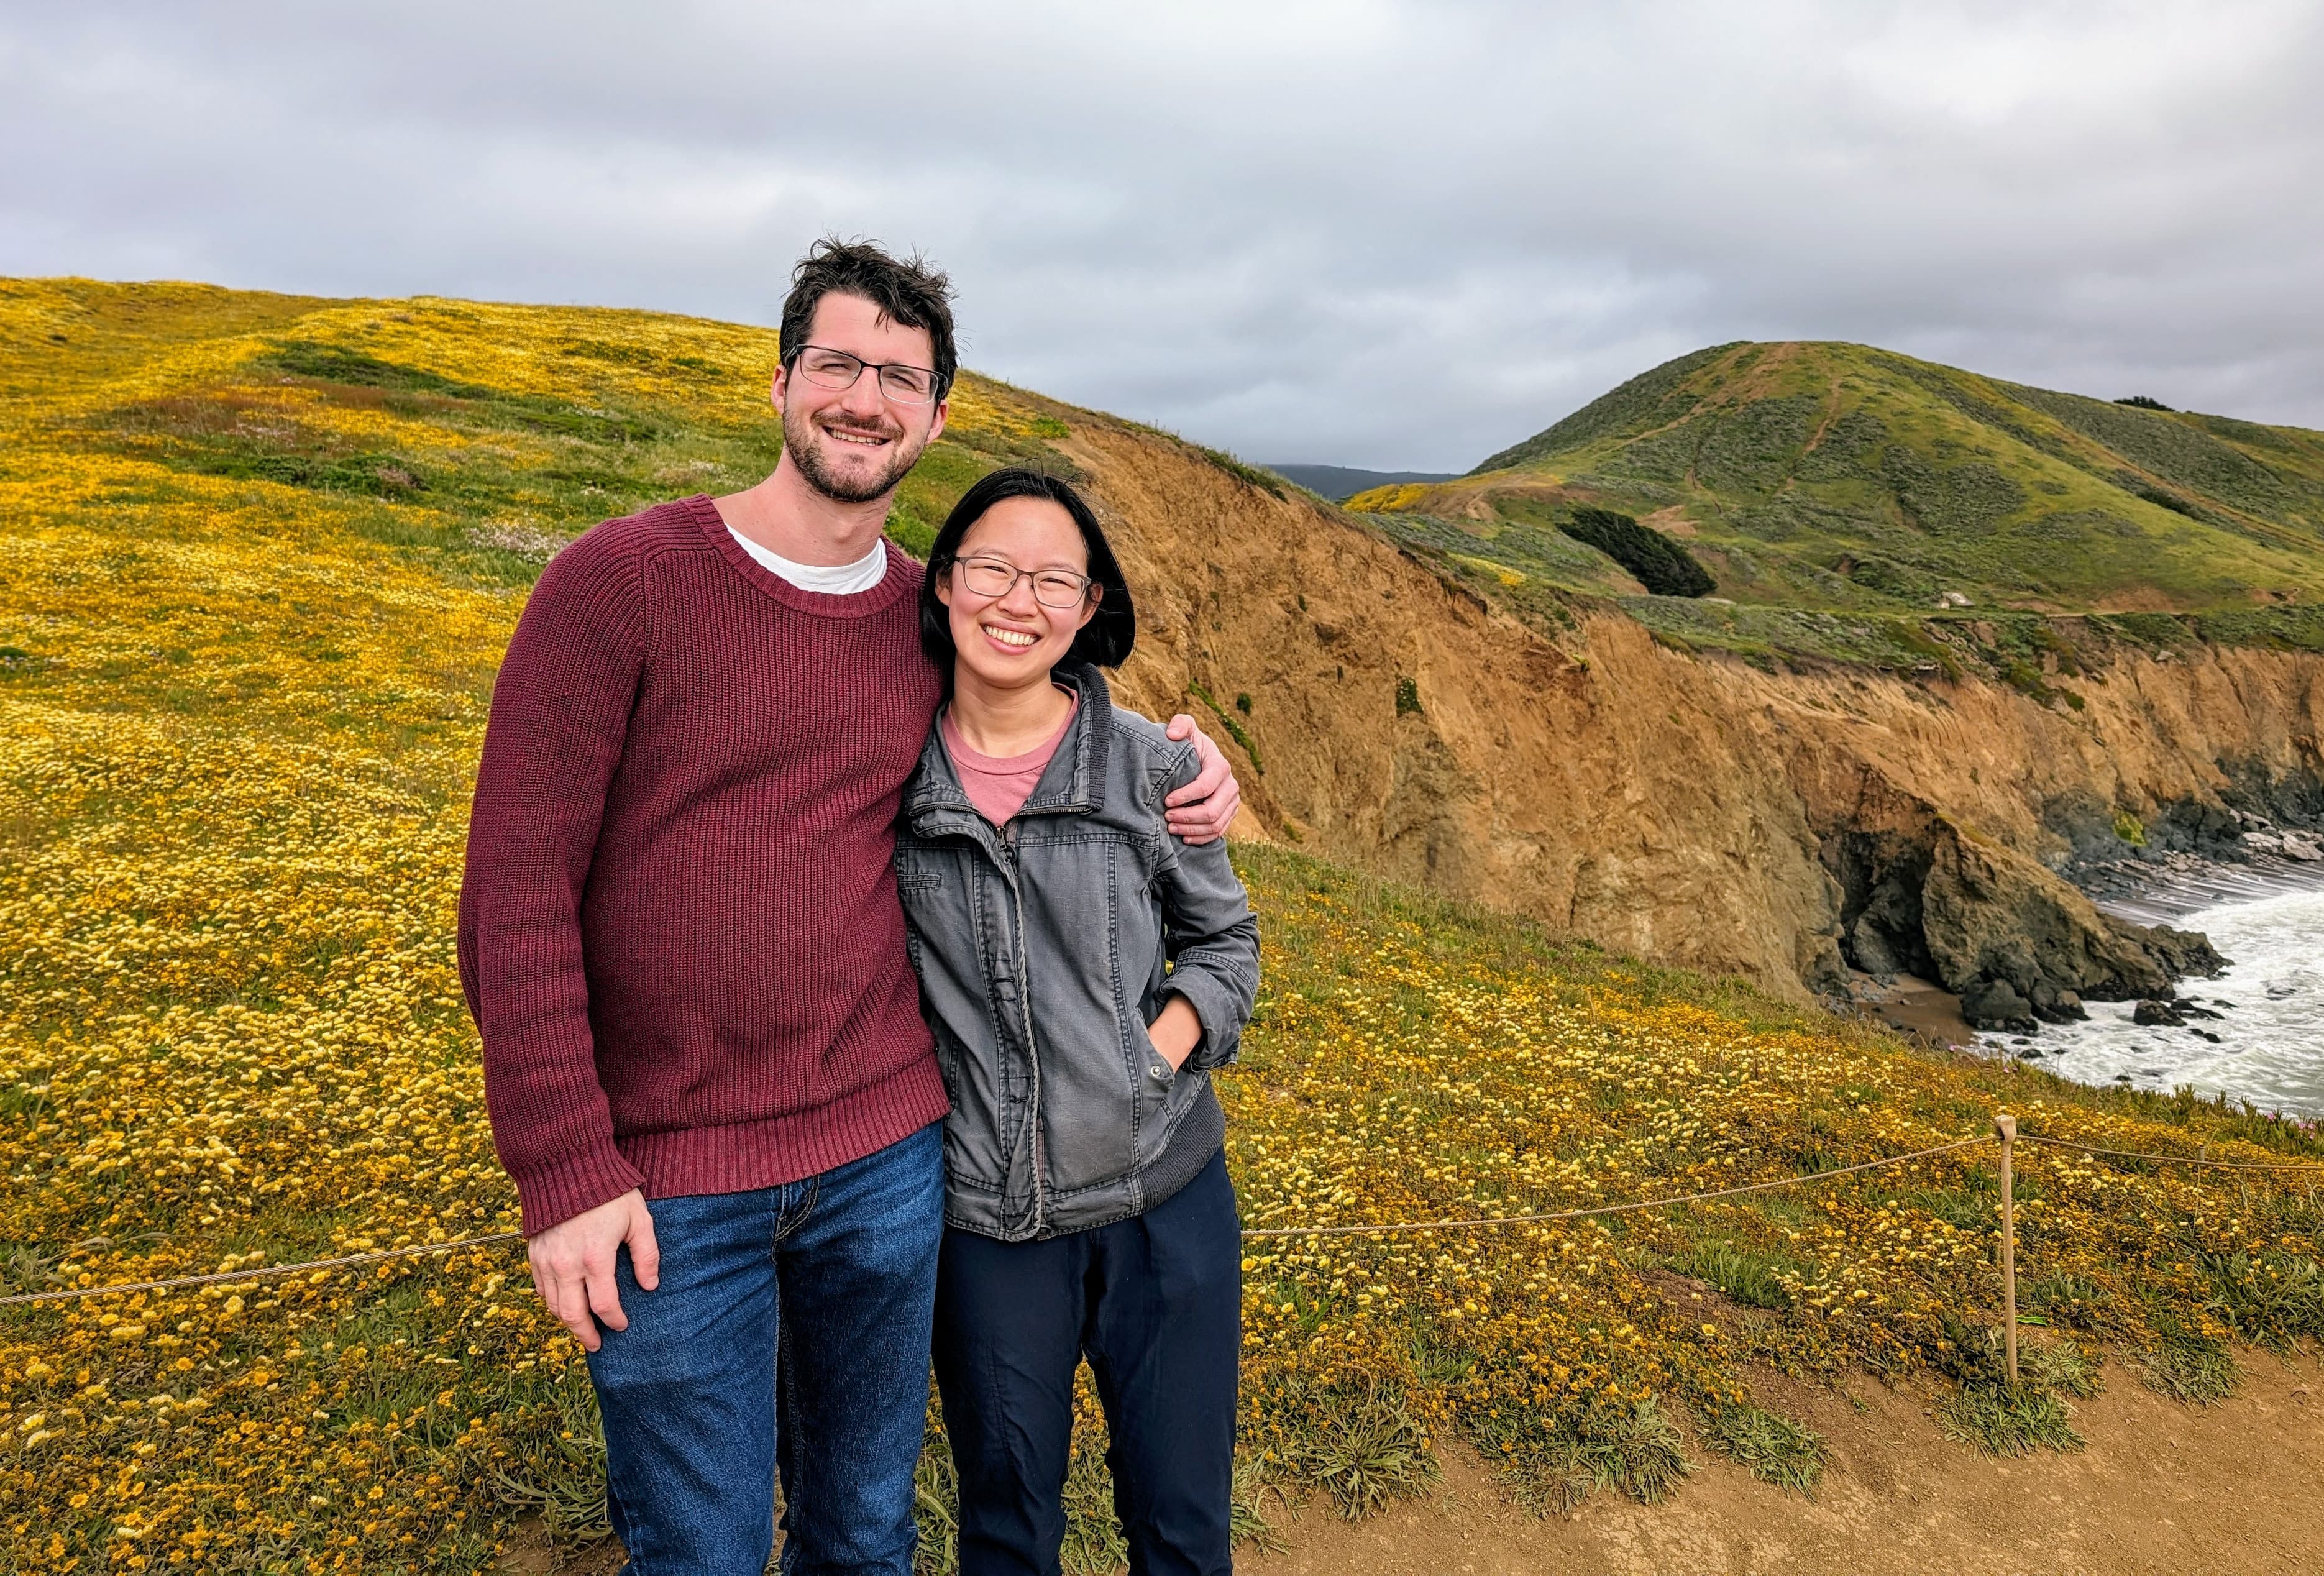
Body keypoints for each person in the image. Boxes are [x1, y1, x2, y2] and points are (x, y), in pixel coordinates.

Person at [457, 240, 1242, 1576]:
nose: (866, 397)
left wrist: (1181, 765)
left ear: (935, 416)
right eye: (840, 363)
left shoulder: (922, 614)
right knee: (702, 1549)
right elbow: (515, 891)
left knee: (866, 1533)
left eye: (902, 375)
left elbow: (1037, 681)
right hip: (670, 1181)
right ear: (779, 380)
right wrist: (564, 1170)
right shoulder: (617, 582)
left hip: (888, 1161)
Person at [896, 468, 1260, 1576]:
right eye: (994, 567)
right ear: (945, 582)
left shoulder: (1156, 768)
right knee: (1006, 1532)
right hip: (989, 1222)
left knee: (1182, 1528)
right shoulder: (881, 769)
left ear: (1091, 606)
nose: (1020, 601)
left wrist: (1152, 1059)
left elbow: (1226, 945)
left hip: (1166, 1203)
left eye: (1056, 578)